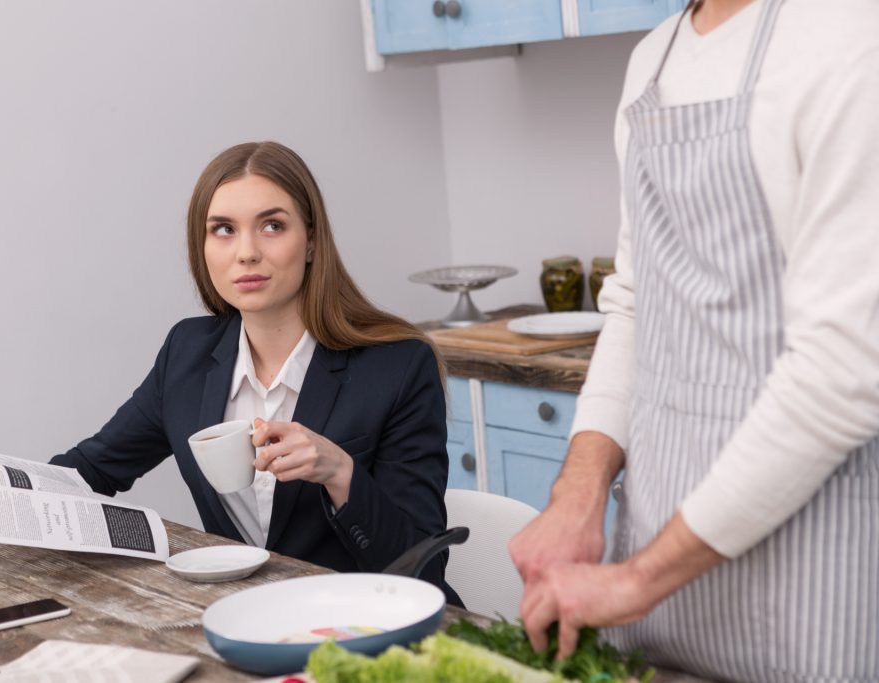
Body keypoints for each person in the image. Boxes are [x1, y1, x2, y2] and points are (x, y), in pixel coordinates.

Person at [509, 0, 879, 681]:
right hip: (656, 577)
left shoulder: (850, 38)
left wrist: (636, 580)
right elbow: (633, 306)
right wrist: (579, 492)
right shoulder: (654, 58)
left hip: (806, 571)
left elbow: (843, 374)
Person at [52, 141, 459, 603]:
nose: (246, 252)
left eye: (272, 226)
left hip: (373, 626)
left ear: (310, 241)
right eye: (223, 229)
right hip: (248, 621)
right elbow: (91, 470)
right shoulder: (186, 352)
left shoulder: (399, 364)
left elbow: (423, 569)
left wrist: (340, 472)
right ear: (201, 247)